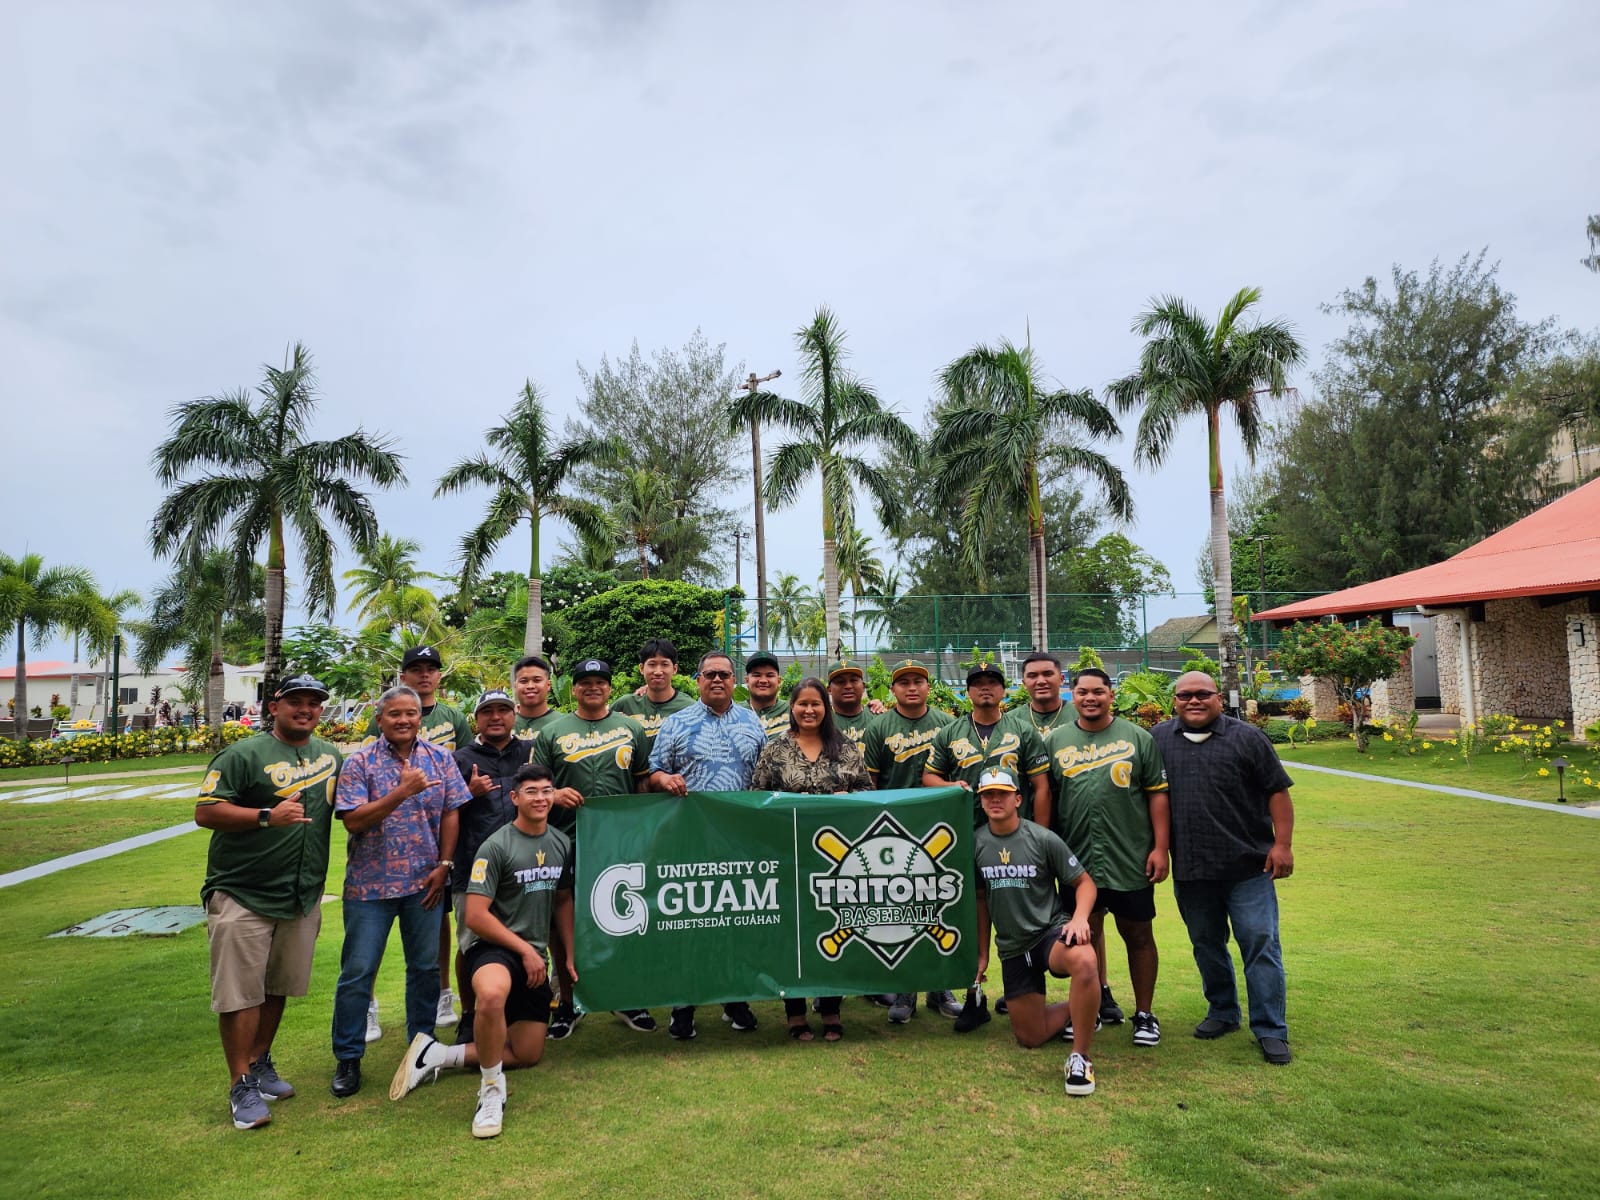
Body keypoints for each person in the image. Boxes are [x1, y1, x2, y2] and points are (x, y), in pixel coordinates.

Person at [389, 763, 575, 1138]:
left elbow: (562, 901)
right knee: (490, 995)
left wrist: (568, 955)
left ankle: (436, 1055)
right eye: (531, 792)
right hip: (493, 947)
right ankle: (491, 1090)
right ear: (514, 798)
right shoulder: (496, 846)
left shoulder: (561, 842)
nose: (540, 798)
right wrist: (524, 949)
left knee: (527, 1054)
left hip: (534, 955)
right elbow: (474, 915)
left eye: (546, 791)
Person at [194, 674, 342, 1131]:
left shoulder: (329, 755)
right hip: (243, 892)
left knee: (278, 985)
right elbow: (206, 811)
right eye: (295, 702)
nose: (306, 709)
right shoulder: (242, 754)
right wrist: (265, 816)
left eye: (313, 703)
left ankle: (259, 1062)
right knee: (241, 993)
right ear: (274, 707)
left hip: (300, 894)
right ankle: (240, 1083)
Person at [329, 685, 471, 1098]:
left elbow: (451, 813)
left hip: (423, 884)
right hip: (369, 888)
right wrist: (401, 791)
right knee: (358, 971)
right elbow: (353, 821)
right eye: (395, 714)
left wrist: (444, 866)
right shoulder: (359, 763)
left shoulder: (440, 759)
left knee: (425, 970)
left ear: (420, 718)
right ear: (380, 719)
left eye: (411, 713)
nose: (405, 720)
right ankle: (349, 1057)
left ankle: (421, 1050)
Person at [1150, 671, 1296, 1066]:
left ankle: (1270, 1029)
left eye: (1202, 694)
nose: (1193, 701)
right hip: (1193, 869)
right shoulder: (1159, 739)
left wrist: (1282, 845)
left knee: (1260, 944)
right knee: (1206, 945)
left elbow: (1277, 792)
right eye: (1185, 696)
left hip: (1248, 867)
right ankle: (1223, 1012)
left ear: (1218, 698)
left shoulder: (1247, 738)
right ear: (1174, 701)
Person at [647, 650, 768, 1040]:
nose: (717, 680)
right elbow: (654, 771)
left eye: (725, 674)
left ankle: (734, 999)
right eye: (709, 674)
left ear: (736, 681)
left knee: (736, 921)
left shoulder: (753, 723)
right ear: (697, 681)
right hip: (690, 840)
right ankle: (684, 1003)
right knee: (692, 922)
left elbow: (764, 779)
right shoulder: (676, 723)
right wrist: (665, 780)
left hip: (740, 839)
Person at [1047, 668, 1170, 1046]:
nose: (1090, 698)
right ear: (1072, 694)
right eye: (1082, 691)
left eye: (1098, 691)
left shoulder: (1138, 737)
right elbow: (1047, 798)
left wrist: (1160, 848)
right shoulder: (1056, 740)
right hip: (1077, 861)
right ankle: (1093, 1007)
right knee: (1084, 936)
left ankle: (1145, 1014)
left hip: (1129, 856)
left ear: (1110, 694)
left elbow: (1157, 794)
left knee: (1138, 934)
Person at [531, 658, 653, 1038]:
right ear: (575, 688)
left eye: (600, 682)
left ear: (609, 687)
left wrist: (642, 829)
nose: (593, 687)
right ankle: (567, 1003)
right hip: (564, 839)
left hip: (618, 840)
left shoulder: (630, 727)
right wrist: (553, 794)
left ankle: (627, 996)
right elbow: (533, 786)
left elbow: (642, 783)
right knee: (563, 924)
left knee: (624, 918)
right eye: (586, 682)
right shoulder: (552, 731)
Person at [360, 644, 474, 1035]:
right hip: (381, 843)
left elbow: (464, 765)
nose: (425, 675)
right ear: (404, 675)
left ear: (439, 676)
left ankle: (443, 992)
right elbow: (366, 771)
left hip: (435, 831)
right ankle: (368, 1005)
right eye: (416, 669)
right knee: (367, 940)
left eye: (431, 669)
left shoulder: (453, 717)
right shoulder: (385, 715)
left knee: (436, 918)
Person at [750, 677, 871, 1043]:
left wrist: (847, 796)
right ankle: (795, 1011)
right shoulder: (776, 750)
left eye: (815, 704)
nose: (809, 710)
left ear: (826, 707)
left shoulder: (846, 748)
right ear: (792, 707)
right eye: (802, 703)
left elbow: (868, 795)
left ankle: (832, 1008)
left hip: (835, 859)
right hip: (788, 855)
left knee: (832, 927)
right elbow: (756, 796)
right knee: (794, 932)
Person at [972, 769, 1102, 1096]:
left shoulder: (1042, 838)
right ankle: (1086, 1006)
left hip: (1049, 935)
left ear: (1018, 799)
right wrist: (983, 954)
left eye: (1003, 793)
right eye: (988, 794)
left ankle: (1080, 1059)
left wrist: (1080, 918)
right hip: (1014, 948)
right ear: (982, 800)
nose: (995, 799)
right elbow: (980, 901)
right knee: (1031, 1037)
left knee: (1086, 960)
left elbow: (1084, 883)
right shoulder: (975, 843)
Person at [862, 659, 961, 1023]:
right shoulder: (879, 726)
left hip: (939, 829)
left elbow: (953, 775)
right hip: (896, 829)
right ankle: (905, 990)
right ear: (893, 689)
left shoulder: (947, 725)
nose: (911, 687)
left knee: (940, 907)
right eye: (903, 682)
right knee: (901, 911)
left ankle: (941, 989)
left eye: (918, 680)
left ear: (927, 684)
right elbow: (870, 784)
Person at [449, 690, 527, 1046]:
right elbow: (442, 813)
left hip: (523, 868)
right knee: (470, 945)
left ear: (514, 715)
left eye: (502, 710)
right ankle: (469, 1013)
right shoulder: (460, 759)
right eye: (487, 712)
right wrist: (469, 792)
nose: (496, 717)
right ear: (476, 719)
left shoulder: (529, 753)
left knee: (522, 940)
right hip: (473, 867)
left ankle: (516, 1010)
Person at [925, 662, 1051, 829]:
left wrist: (1040, 836)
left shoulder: (1023, 731)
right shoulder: (950, 733)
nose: (985, 688)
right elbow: (928, 777)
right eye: (977, 683)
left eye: (992, 683)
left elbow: (1042, 787)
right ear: (968, 692)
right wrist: (950, 786)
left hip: (1016, 831)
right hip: (966, 829)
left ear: (1003, 690)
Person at [614, 637, 695, 747]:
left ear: (674, 669)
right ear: (642, 668)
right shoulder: (626, 704)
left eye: (665, 664)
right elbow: (598, 719)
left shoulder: (689, 707)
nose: (658, 671)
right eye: (652, 664)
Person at [1011, 652, 1074, 747]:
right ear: (1024, 683)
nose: (1041, 681)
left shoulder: (1080, 716)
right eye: (1032, 676)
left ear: (1061, 679)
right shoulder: (1011, 721)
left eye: (1048, 674)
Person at [511, 654, 563, 747]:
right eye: (524, 681)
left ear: (548, 685)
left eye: (537, 680)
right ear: (515, 685)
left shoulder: (563, 723)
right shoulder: (505, 724)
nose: (530, 686)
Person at [826, 659, 873, 751]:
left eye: (853, 680)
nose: (848, 686)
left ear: (863, 686)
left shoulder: (877, 719)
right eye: (840, 682)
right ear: (829, 690)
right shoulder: (822, 722)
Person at [744, 650, 791, 738]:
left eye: (769, 675)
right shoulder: (733, 713)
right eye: (757, 675)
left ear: (779, 681)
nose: (763, 680)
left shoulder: (793, 711)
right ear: (747, 681)